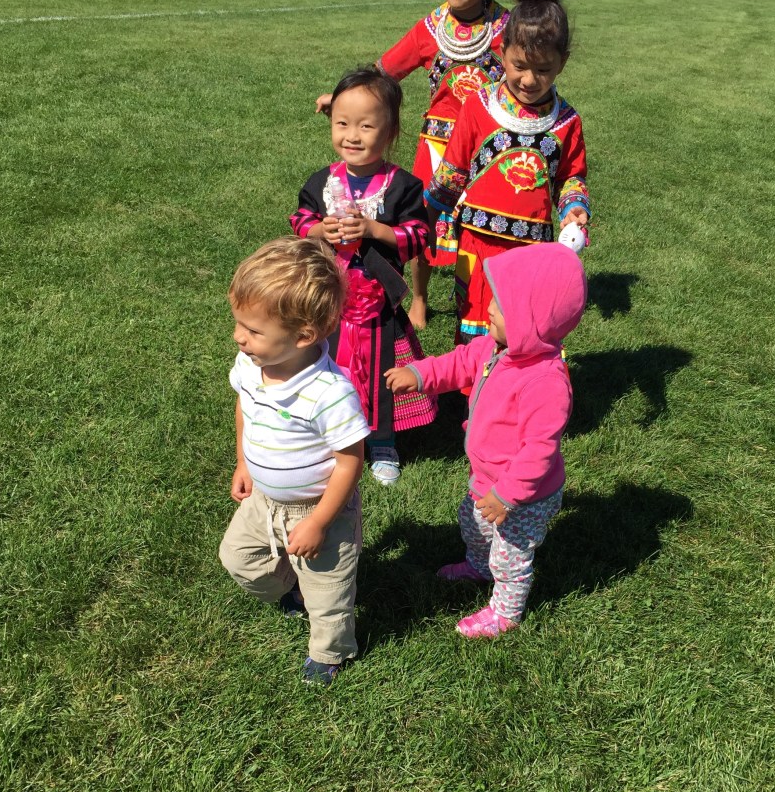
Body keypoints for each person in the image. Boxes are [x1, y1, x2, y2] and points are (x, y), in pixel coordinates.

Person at [315, 0, 509, 331]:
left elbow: (528, 70)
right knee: (421, 222)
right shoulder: (431, 28)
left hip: (487, 147)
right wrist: (342, 97)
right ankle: (419, 297)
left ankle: (478, 300)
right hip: (438, 144)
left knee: (477, 227)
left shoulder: (505, 30)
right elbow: (385, 70)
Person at [386, 243, 586, 637]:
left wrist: (508, 495)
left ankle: (505, 613)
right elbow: (458, 362)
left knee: (510, 554)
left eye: (504, 305)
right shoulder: (498, 348)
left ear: (534, 320)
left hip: (524, 494)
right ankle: (478, 567)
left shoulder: (545, 382)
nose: (490, 308)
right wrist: (420, 374)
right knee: (473, 523)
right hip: (487, 477)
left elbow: (539, 451)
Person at [219, 237, 371, 687]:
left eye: (252, 330)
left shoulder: (329, 393)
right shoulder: (250, 364)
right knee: (238, 559)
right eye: (238, 322)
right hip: (264, 501)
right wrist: (243, 463)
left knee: (329, 593)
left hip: (320, 509)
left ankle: (328, 652)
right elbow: (245, 407)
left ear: (303, 336)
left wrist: (320, 522)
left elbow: (350, 460)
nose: (238, 336)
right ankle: (292, 589)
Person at [291, 68, 438, 486]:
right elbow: (299, 220)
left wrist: (374, 229)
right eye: (342, 123)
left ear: (390, 132)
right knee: (328, 368)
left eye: (366, 126)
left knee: (381, 372)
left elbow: (420, 234)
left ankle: (382, 441)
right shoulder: (322, 181)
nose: (352, 136)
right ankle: (330, 436)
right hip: (330, 301)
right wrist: (320, 230)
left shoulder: (403, 186)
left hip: (379, 306)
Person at [425, 0, 590, 345]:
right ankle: (471, 383)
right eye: (519, 66)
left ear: (562, 63)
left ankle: (517, 382)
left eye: (543, 69)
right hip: (477, 244)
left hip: (532, 250)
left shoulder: (566, 122)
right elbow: (452, 172)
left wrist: (574, 208)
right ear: (502, 53)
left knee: (522, 329)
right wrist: (428, 219)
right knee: (473, 329)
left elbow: (571, 178)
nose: (529, 80)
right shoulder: (479, 106)